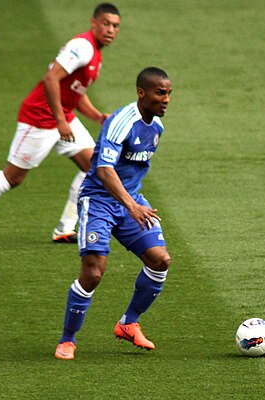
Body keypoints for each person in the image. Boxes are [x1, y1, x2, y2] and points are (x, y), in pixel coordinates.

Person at [0, 3, 121, 246]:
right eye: (106, 24)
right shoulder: (83, 47)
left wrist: (98, 117)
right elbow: (51, 79)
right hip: (40, 117)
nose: (110, 29)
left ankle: (64, 228)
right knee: (13, 177)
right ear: (93, 23)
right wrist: (60, 121)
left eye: (115, 26)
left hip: (62, 116)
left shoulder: (96, 55)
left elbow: (75, 93)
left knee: (94, 167)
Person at [54, 67, 173, 360]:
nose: (166, 99)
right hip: (98, 202)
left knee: (160, 261)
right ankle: (67, 340)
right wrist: (131, 206)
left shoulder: (156, 127)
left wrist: (133, 202)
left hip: (131, 202)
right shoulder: (122, 122)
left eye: (169, 93)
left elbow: (131, 171)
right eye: (160, 92)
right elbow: (105, 170)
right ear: (141, 92)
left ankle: (129, 323)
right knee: (93, 272)